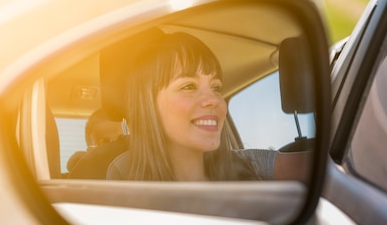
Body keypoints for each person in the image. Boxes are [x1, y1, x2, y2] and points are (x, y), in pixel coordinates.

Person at [107, 30, 310, 182]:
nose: (214, 100)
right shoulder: (124, 176)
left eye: (215, 87)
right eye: (188, 86)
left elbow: (320, 170)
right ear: (148, 105)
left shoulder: (249, 164)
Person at [67, 109, 128, 179]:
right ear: (90, 150)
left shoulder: (140, 175)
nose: (113, 148)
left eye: (121, 139)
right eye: (105, 143)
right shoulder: (81, 183)